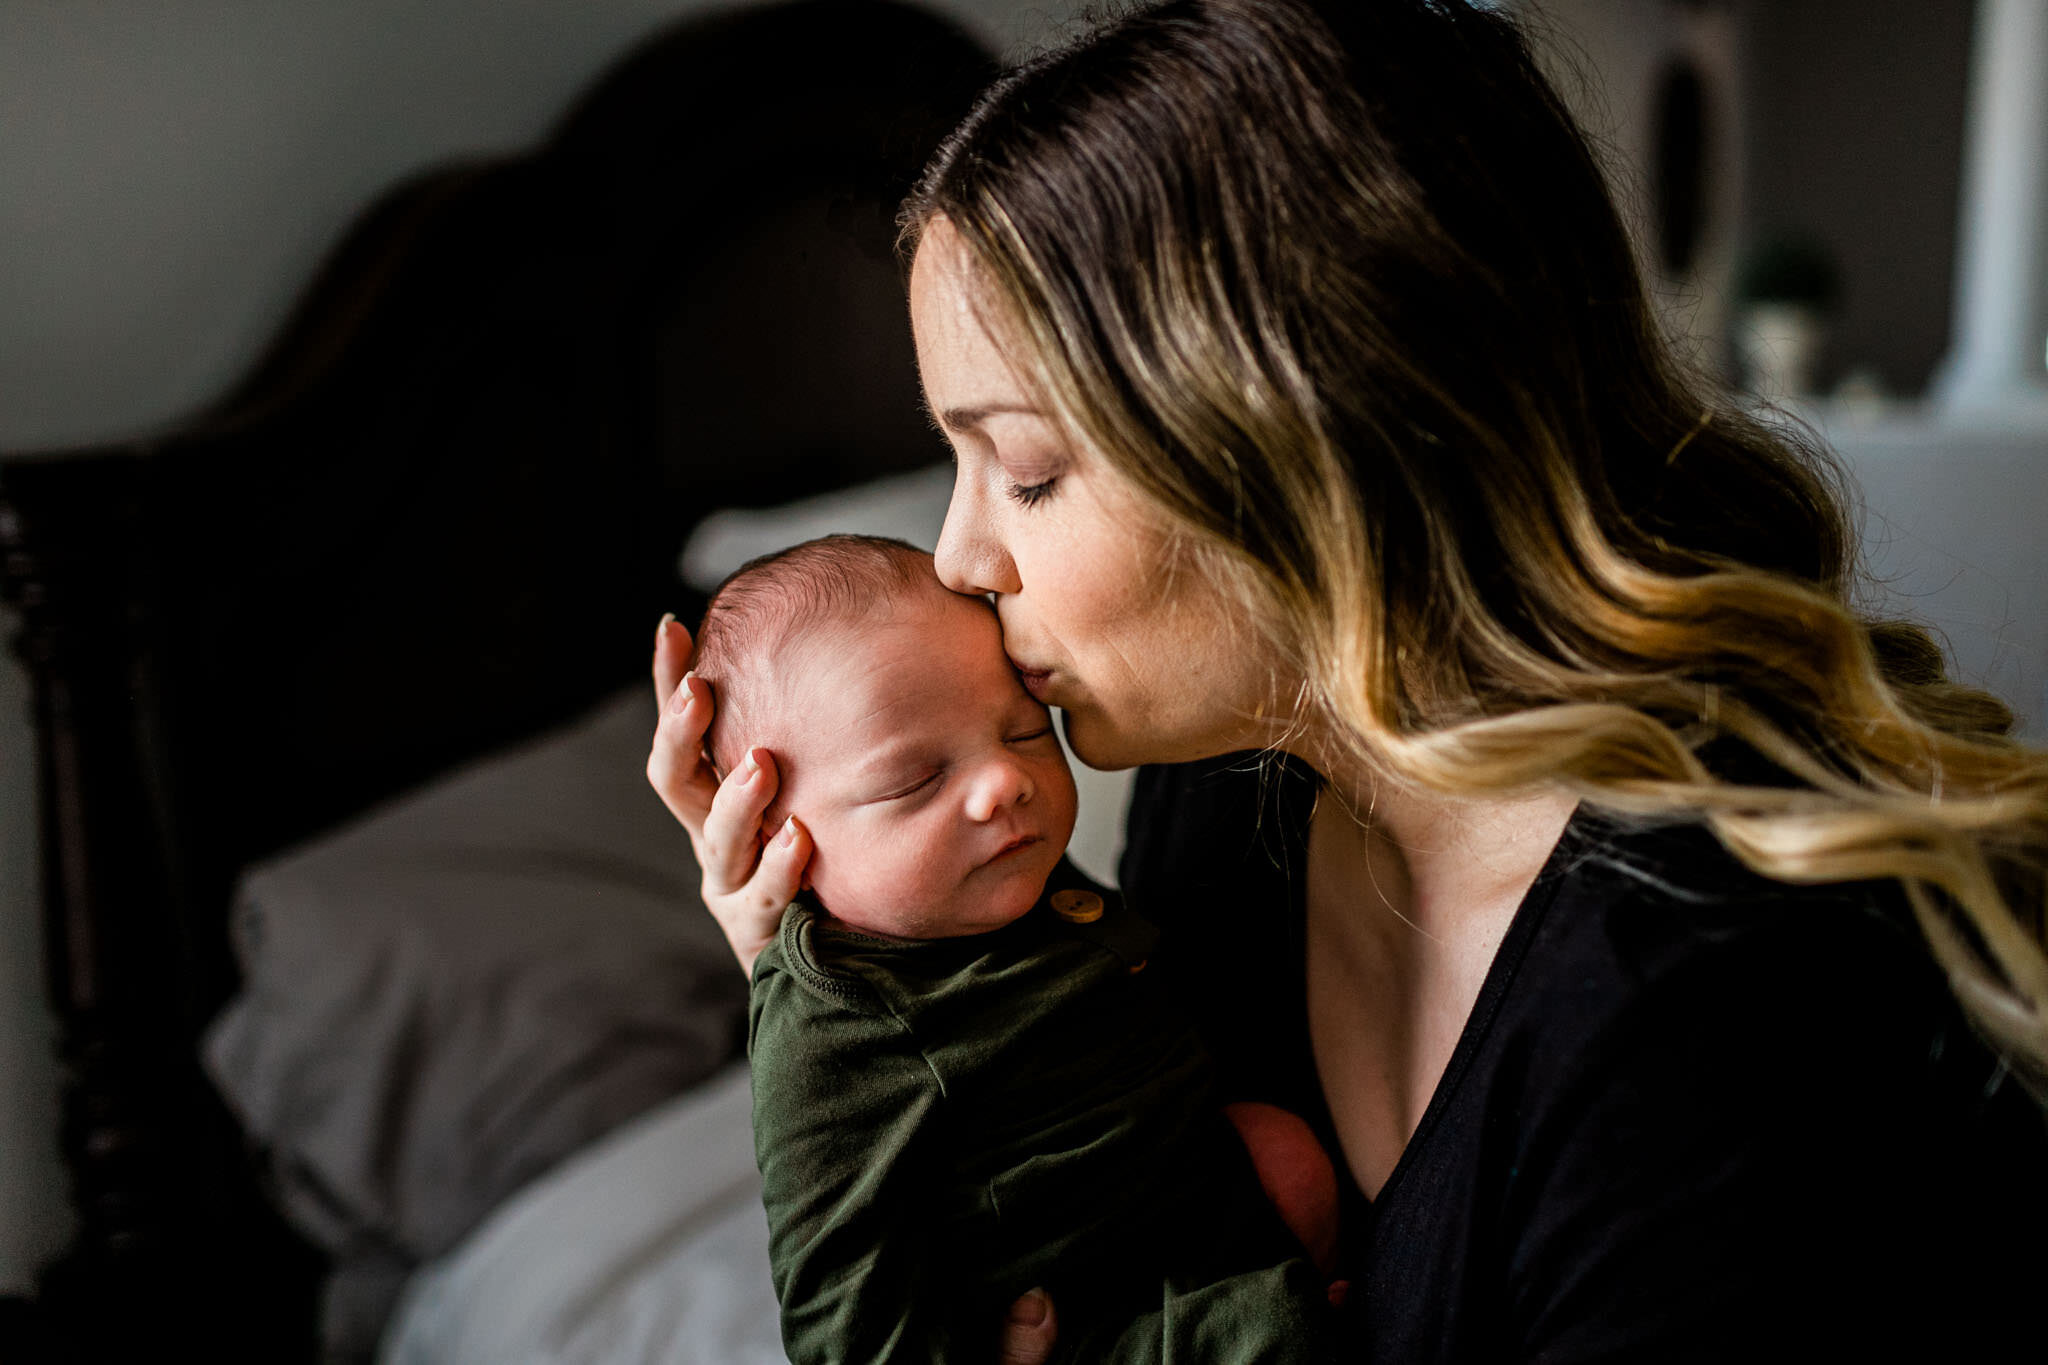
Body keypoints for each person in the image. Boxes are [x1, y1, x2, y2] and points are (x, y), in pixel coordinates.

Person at [649, 1, 2048, 1359]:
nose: (960, 561)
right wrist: (831, 989)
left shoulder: (1716, 1015)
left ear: (1302, 441)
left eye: (1025, 471)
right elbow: (1095, 1221)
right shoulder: (1241, 774)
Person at [692, 533, 1341, 1364]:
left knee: (1283, 1155)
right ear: (777, 832)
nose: (1005, 781)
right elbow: (841, 1309)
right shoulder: (840, 1026)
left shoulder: (1006, 876)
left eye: (1026, 732)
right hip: (1090, 1317)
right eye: (916, 779)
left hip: (1183, 1203)